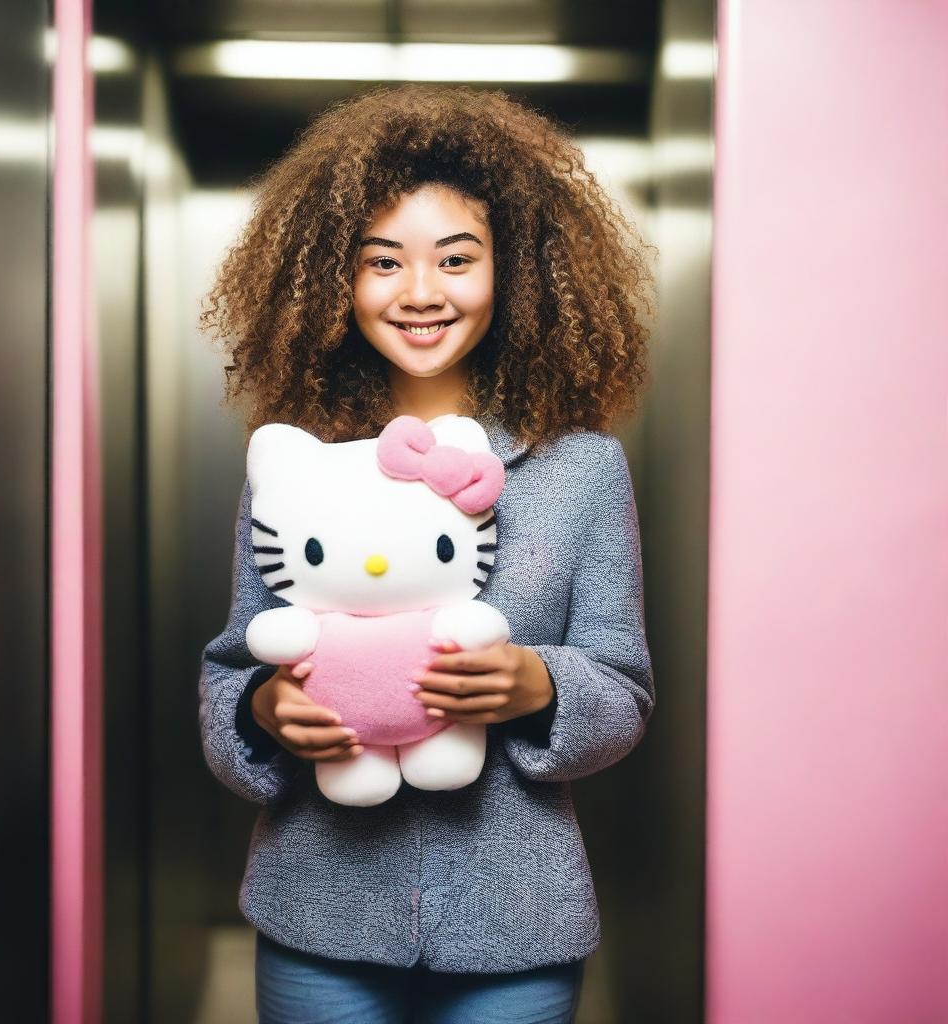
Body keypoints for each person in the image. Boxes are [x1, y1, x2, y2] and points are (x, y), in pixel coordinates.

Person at [198, 83, 656, 1024]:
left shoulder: (583, 470)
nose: (419, 294)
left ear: (513, 272)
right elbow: (232, 669)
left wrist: (543, 688)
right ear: (335, 279)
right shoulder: (296, 469)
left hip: (517, 926)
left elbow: (626, 691)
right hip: (316, 908)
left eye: (457, 259)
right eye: (382, 263)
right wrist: (261, 710)